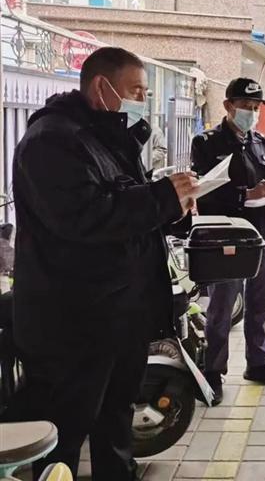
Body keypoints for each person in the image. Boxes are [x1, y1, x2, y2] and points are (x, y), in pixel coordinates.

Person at [10, 47, 198, 479]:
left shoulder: (107, 138)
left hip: (117, 312)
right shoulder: (53, 141)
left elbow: (127, 207)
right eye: (136, 91)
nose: (142, 101)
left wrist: (173, 205)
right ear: (102, 86)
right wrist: (162, 197)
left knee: (116, 415)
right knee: (65, 427)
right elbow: (85, 217)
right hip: (72, 321)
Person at [191, 77, 265, 404]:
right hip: (227, 234)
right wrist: (246, 194)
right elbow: (203, 192)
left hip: (263, 232)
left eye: (255, 107)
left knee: (260, 302)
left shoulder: (262, 144)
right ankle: (213, 371)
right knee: (222, 305)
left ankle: (258, 362)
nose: (251, 112)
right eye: (245, 106)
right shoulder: (206, 143)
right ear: (228, 105)